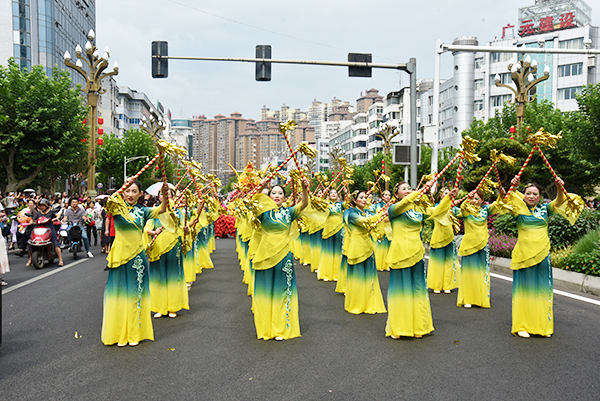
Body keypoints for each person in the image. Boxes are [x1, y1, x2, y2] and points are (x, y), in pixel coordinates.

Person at [101, 178, 169, 346]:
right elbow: (108, 200)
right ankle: (118, 334)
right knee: (117, 294)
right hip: (118, 257)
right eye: (127, 191)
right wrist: (125, 183)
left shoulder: (143, 211)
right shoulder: (116, 207)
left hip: (137, 257)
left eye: (134, 191)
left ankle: (134, 332)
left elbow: (162, 209)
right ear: (123, 192)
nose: (130, 194)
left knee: (135, 294)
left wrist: (166, 196)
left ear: (140, 194)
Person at [507, 176, 576, 338]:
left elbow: (559, 202)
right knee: (524, 291)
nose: (531, 196)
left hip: (543, 255)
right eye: (528, 193)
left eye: (535, 194)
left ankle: (542, 326)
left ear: (540, 196)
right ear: (523, 195)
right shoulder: (518, 208)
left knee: (543, 290)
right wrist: (514, 186)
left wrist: (560, 187)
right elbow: (508, 196)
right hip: (524, 256)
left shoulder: (545, 209)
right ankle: (522, 325)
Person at [385, 180, 451, 339]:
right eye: (403, 189)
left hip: (417, 253)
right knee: (401, 290)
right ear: (396, 194)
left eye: (409, 188)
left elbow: (436, 212)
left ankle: (418, 326)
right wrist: (421, 190)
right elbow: (406, 202)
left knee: (418, 289)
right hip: (400, 254)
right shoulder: (394, 209)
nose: (407, 191)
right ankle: (399, 327)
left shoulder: (418, 209)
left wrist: (448, 199)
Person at [251, 177, 309, 340]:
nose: (277, 195)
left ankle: (280, 328)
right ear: (269, 197)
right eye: (273, 193)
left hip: (284, 257)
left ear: (285, 197)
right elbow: (250, 202)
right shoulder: (262, 213)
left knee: (282, 291)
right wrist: (260, 186)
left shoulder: (289, 213)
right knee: (266, 291)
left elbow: (304, 204)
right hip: (265, 256)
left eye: (280, 193)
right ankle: (267, 328)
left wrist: (304, 188)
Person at [145, 187, 189, 319]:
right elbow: (147, 227)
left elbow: (183, 227)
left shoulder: (177, 211)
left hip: (173, 245)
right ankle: (160, 307)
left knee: (173, 275)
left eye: (168, 194)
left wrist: (186, 230)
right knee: (158, 276)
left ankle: (173, 307)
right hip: (158, 247)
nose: (165, 196)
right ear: (158, 197)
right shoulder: (155, 211)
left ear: (173, 196)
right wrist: (153, 232)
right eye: (162, 194)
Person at [455, 189, 502, 308]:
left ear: (482, 200)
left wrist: (501, 194)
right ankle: (468, 299)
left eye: (477, 198)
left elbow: (497, 204)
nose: (474, 201)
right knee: (468, 273)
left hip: (483, 245)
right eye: (472, 198)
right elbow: (462, 206)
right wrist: (467, 197)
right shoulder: (466, 210)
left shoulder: (486, 210)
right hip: (469, 246)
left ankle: (481, 299)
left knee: (482, 273)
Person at [342, 190, 386, 315]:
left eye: (365, 197)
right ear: (354, 200)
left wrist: (387, 215)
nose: (364, 199)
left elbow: (375, 221)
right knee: (358, 278)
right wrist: (381, 214)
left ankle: (369, 304)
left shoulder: (367, 212)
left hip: (368, 247)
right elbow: (364, 221)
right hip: (356, 248)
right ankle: (357, 305)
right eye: (361, 197)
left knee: (369, 277)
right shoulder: (350, 213)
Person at [427, 187, 459, 294]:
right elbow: (440, 210)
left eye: (449, 193)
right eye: (446, 193)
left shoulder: (453, 207)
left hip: (449, 236)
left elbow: (462, 212)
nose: (448, 194)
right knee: (438, 262)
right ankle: (437, 285)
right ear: (441, 195)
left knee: (449, 262)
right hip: (438, 237)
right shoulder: (436, 207)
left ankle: (447, 285)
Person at [27, 198, 64, 267]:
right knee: (30, 241)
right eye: (41, 206)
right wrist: (31, 221)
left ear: (46, 206)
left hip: (49, 228)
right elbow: (33, 218)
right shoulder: (38, 213)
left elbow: (57, 215)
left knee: (55, 242)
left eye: (43, 205)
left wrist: (56, 218)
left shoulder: (50, 212)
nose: (42, 207)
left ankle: (60, 259)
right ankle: (30, 258)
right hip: (39, 228)